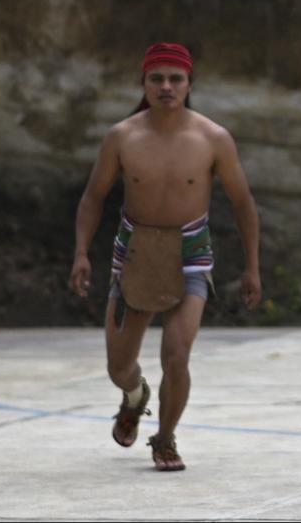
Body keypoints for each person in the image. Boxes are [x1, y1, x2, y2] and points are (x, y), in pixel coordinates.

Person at [68, 42, 262, 471]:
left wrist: (252, 267)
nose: (167, 86)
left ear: (190, 84)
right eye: (157, 78)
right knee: (119, 367)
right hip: (134, 251)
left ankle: (165, 437)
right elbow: (93, 197)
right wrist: (81, 252)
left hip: (191, 252)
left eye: (176, 78)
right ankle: (134, 395)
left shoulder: (213, 139)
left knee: (176, 356)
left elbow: (243, 203)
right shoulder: (122, 137)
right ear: (144, 83)